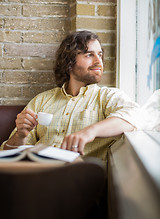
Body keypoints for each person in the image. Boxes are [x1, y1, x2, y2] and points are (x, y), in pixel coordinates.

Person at [1, 30, 140, 162]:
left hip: (76, 179)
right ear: (69, 62)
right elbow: (5, 153)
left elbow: (135, 115)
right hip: (36, 175)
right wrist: (20, 135)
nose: (99, 61)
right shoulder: (42, 100)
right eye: (89, 55)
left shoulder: (107, 96)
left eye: (100, 54)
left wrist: (90, 132)